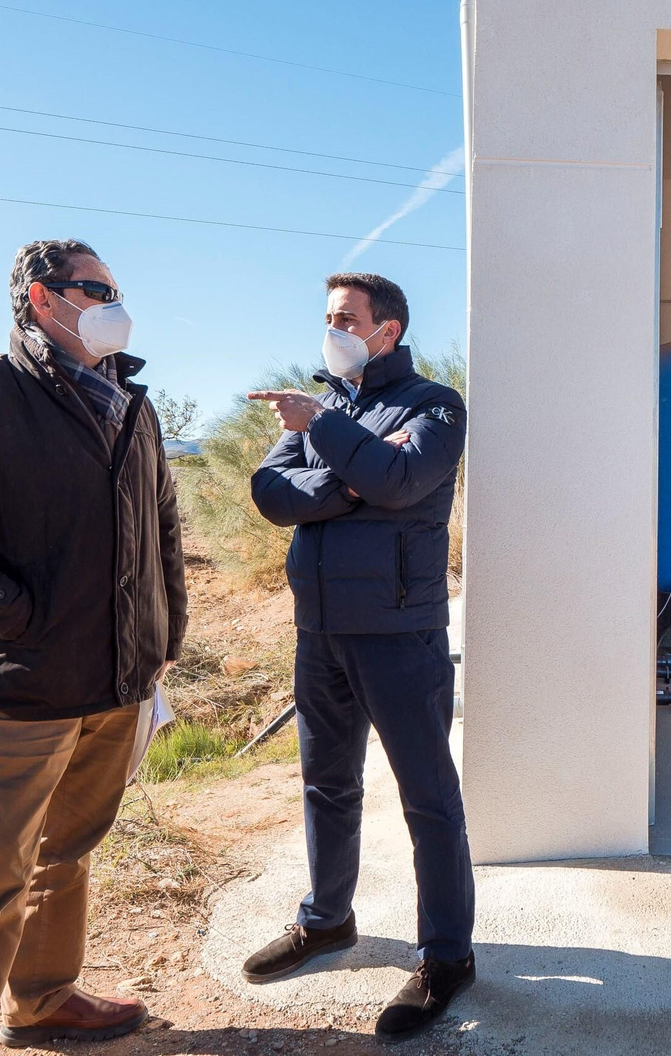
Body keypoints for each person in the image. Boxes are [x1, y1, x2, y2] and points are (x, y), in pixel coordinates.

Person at [0, 238, 187, 1055]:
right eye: (99, 288)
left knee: (68, 853)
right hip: (22, 687)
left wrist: (166, 631)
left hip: (118, 680)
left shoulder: (133, 403)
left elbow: (161, 527)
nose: (117, 301)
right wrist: (16, 615)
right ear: (46, 301)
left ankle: (44, 999)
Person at [245, 272, 472, 1042]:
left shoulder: (435, 405)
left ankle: (446, 955)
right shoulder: (332, 408)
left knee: (427, 798)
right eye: (328, 315)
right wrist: (349, 480)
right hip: (321, 632)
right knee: (327, 785)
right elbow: (271, 492)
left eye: (346, 316)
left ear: (389, 329)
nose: (333, 327)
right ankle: (326, 920)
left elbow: (403, 479)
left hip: (400, 635)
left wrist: (331, 442)